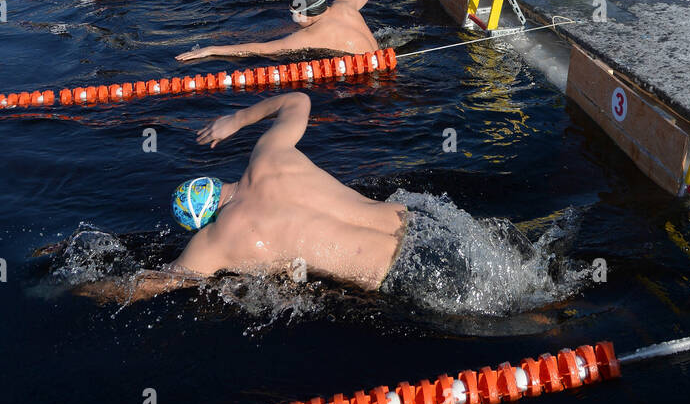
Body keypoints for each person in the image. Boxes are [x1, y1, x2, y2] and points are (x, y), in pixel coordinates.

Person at [73, 94, 536, 310]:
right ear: (214, 183)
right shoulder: (268, 157)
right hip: (423, 223)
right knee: (527, 272)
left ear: (201, 223)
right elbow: (296, 99)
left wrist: (76, 290)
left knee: (523, 312)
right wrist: (236, 119)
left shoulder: (215, 243)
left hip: (403, 275)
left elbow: (153, 283)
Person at [175, 0, 380, 63]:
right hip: (383, 58)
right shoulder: (345, 4)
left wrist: (211, 49)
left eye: (292, 11)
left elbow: (260, 49)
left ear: (302, 12)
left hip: (366, 77)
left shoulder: (311, 35)